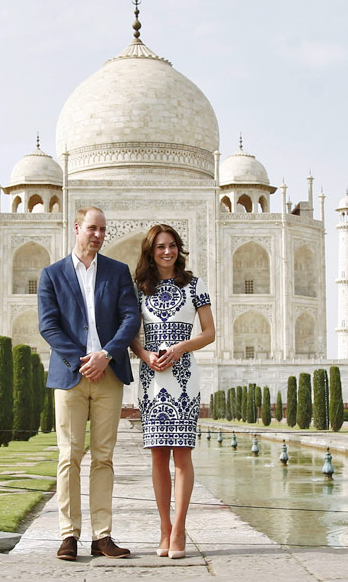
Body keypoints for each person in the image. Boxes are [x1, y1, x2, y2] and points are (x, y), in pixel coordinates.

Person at [37, 206, 141, 561]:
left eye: (102, 230)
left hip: (109, 374)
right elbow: (48, 326)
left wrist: (106, 355)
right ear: (77, 227)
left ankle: (102, 535)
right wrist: (84, 360)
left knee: (104, 458)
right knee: (69, 456)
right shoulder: (51, 275)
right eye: (92, 228)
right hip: (71, 375)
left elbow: (131, 318)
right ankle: (69, 535)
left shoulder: (117, 271)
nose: (97, 235)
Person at [130, 224, 215, 559]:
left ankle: (179, 530)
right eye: (160, 247)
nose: (167, 252)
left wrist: (181, 348)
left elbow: (209, 333)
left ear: (179, 249)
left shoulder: (194, 285)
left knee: (182, 455)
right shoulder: (140, 289)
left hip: (183, 376)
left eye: (172, 245)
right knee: (158, 455)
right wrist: (145, 355)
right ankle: (164, 528)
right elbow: (131, 333)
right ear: (150, 252)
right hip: (151, 377)